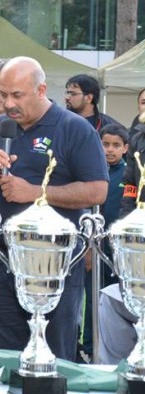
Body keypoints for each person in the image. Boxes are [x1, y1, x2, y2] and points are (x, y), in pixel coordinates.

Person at [0, 56, 108, 362]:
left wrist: (36, 193)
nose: (8, 103)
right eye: (4, 95)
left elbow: (98, 190)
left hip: (53, 265)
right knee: (0, 358)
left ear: (41, 90)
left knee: (52, 360)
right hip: (1, 261)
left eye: (17, 95)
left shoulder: (75, 128)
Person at [80, 122, 128, 360]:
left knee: (117, 300)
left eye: (116, 145)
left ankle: (117, 349)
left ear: (125, 148)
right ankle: (90, 347)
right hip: (93, 248)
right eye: (105, 144)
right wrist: (88, 246)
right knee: (93, 296)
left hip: (119, 251)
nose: (110, 150)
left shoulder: (130, 173)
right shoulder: (91, 171)